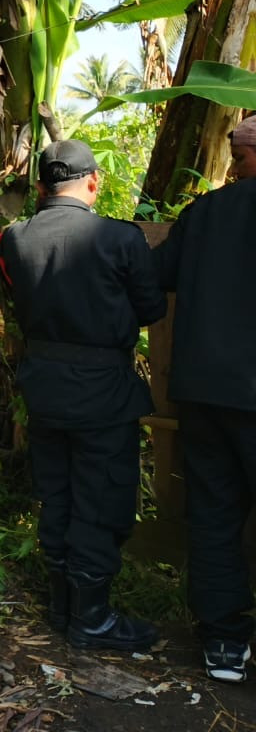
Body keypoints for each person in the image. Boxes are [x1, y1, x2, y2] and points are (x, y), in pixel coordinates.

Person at [0, 138, 164, 653]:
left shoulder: (13, 239)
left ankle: (61, 606)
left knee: (58, 494)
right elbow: (152, 309)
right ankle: (90, 619)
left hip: (43, 388)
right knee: (100, 499)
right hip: (102, 393)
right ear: (94, 182)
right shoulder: (120, 239)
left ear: (42, 187)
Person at [154, 114, 256, 682]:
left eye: (239, 157)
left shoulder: (205, 213)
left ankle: (223, 642)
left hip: (203, 392)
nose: (233, 165)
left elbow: (160, 274)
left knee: (214, 516)